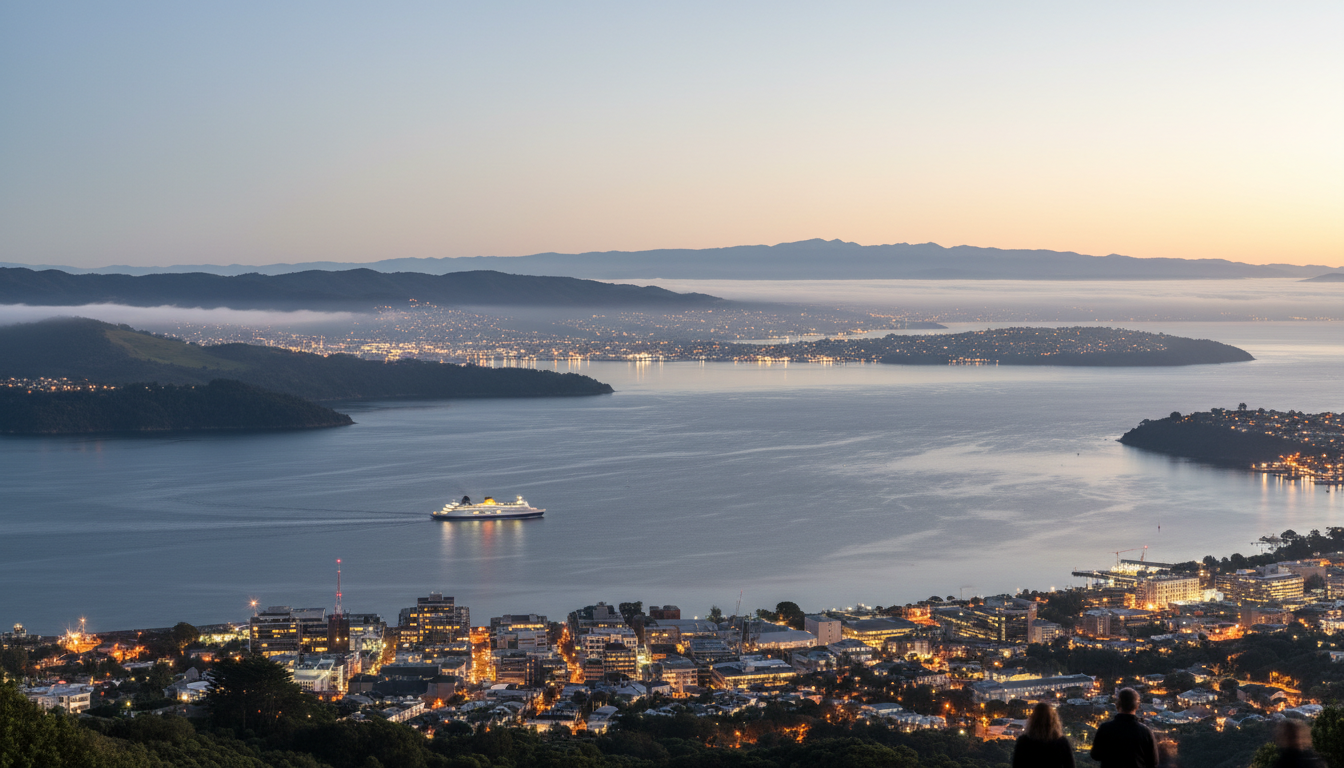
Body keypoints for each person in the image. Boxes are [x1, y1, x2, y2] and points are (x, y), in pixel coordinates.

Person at [1090, 687, 1159, 768]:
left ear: (1117, 705)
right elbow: (1153, 762)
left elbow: (1095, 755)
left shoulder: (1105, 729)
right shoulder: (1145, 732)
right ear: (1137, 706)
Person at [1012, 702, 1074, 768]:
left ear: (1032, 720)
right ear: (1054, 721)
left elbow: (1016, 765)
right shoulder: (1062, 743)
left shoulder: (1023, 742)